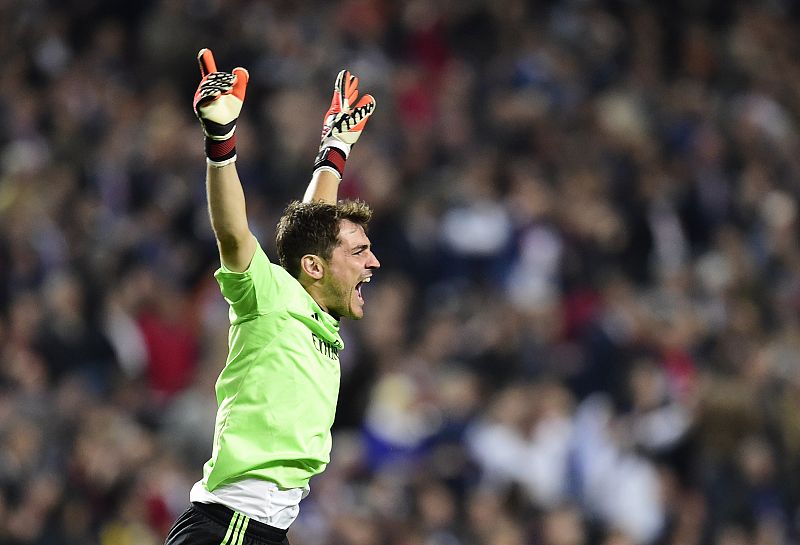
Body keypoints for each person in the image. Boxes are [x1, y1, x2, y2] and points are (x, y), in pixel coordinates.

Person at [164, 49, 379, 545]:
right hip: (232, 527)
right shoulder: (270, 298)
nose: (373, 263)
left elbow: (314, 239)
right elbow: (234, 234)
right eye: (362, 252)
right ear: (314, 269)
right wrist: (221, 143)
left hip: (265, 529)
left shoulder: (314, 307)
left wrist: (334, 154)